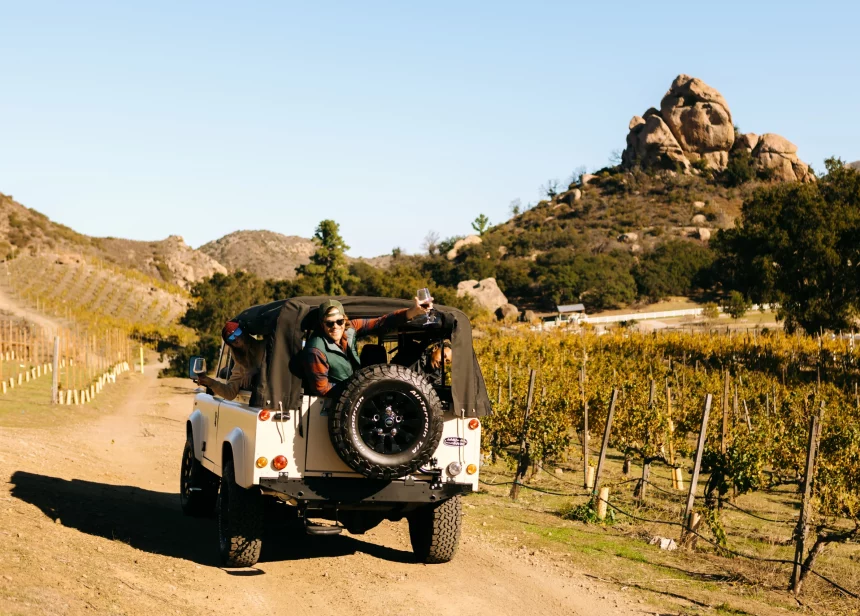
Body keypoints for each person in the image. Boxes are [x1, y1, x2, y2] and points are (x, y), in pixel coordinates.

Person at [303, 297, 432, 396]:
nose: (335, 327)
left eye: (339, 321)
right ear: (322, 324)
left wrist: (412, 312)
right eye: (329, 323)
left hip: (357, 391)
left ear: (344, 319)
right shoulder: (316, 350)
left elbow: (380, 323)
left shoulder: (350, 328)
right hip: (334, 400)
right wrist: (357, 387)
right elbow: (322, 389)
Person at [195, 321, 265, 401]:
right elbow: (230, 393)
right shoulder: (240, 365)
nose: (236, 338)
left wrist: (255, 370)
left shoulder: (266, 346)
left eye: (238, 332)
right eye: (231, 337)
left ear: (244, 332)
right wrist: (211, 382)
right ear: (230, 344)